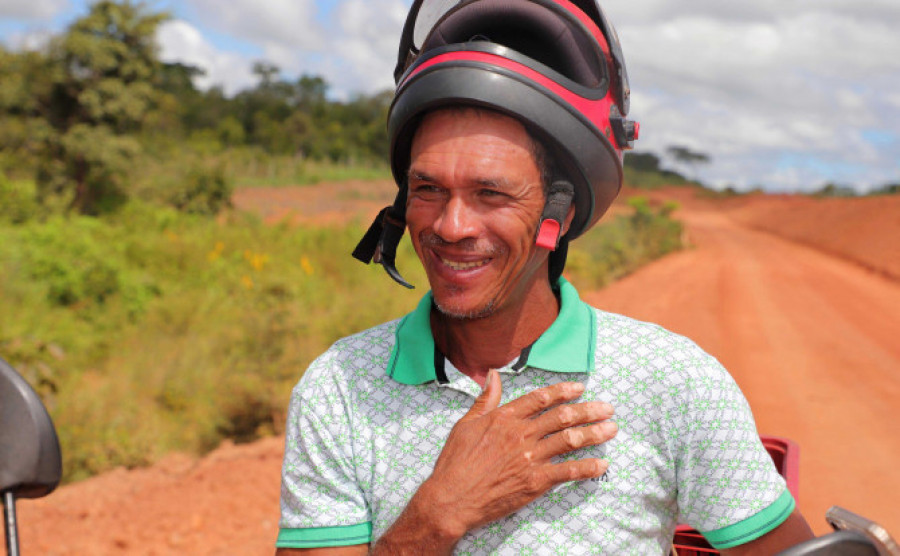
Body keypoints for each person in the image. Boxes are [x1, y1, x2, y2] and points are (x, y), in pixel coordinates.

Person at [276, 1, 815, 553]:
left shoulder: (675, 382)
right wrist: (438, 514)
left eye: (491, 193)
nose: (450, 225)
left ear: (561, 214)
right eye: (428, 189)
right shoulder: (341, 389)